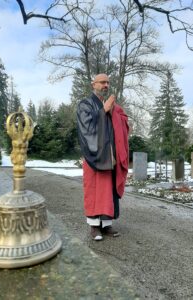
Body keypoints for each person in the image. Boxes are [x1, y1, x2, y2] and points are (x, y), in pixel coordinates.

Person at [77, 73, 129, 241]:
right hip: (95, 156)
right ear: (94, 84)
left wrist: (121, 119)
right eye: (102, 82)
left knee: (108, 190)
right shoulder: (85, 104)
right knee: (94, 189)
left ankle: (106, 225)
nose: (106, 85)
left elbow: (120, 126)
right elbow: (86, 128)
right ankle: (94, 226)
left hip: (110, 156)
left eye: (107, 82)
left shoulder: (113, 105)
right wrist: (103, 111)